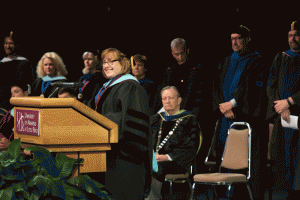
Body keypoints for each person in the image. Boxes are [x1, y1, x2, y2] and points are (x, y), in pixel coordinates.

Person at [212, 25, 269, 200]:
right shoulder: (228, 60)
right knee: (223, 158)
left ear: (247, 39)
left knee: (245, 163)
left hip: (245, 119)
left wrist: (233, 106)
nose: (234, 42)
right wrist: (223, 106)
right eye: (232, 39)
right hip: (225, 119)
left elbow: (253, 90)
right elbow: (217, 87)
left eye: (238, 38)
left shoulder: (257, 60)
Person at [87, 48, 152, 200]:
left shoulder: (131, 87)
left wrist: (100, 120)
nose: (106, 65)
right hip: (107, 158)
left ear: (123, 63)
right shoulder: (106, 88)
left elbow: (132, 124)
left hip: (126, 161)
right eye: (104, 62)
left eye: (111, 61)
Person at [158, 38, 214, 174]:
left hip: (193, 116)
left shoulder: (198, 69)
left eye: (182, 53)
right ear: (172, 53)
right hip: (173, 117)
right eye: (176, 54)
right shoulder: (170, 70)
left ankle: (194, 182)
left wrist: (190, 116)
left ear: (187, 50)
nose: (180, 56)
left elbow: (201, 96)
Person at [146, 86, 200, 200]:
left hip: (177, 162)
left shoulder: (189, 120)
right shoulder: (156, 119)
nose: (167, 101)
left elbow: (190, 147)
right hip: (154, 159)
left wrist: (166, 157)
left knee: (155, 167)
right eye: (164, 98)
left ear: (179, 100)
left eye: (170, 98)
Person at [267, 21, 300, 199]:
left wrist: (290, 101)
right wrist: (280, 106)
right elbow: (270, 85)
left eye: (296, 34)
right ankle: (288, 193)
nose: (292, 38)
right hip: (284, 117)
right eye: (290, 35)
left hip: (298, 116)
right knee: (283, 157)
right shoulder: (281, 57)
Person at [0, 31, 35, 110]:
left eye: (11, 43)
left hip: (19, 103)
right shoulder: (2, 63)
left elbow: (29, 84)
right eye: (6, 43)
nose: (8, 46)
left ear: (17, 45)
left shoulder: (24, 63)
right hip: (2, 104)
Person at [0, 82, 29, 150]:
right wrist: (2, 141)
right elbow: (1, 129)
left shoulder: (31, 114)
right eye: (12, 93)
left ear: (26, 93)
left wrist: (11, 145)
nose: (13, 96)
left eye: (16, 92)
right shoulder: (11, 112)